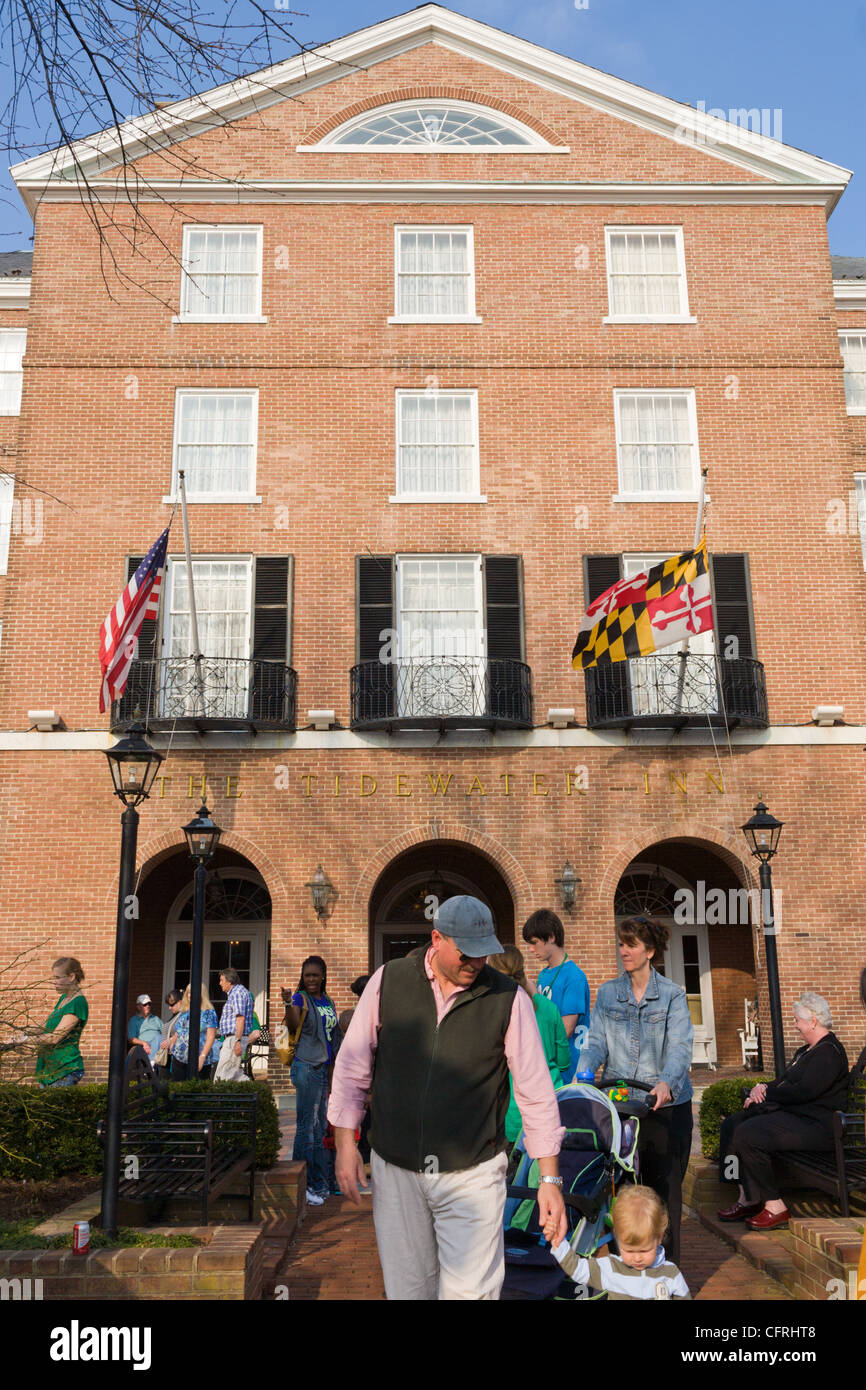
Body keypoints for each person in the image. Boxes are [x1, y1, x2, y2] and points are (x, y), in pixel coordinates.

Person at [329, 896, 567, 1300]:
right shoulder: (388, 980)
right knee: (409, 1289)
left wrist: (549, 1179)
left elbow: (536, 1092)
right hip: (396, 1167)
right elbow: (353, 1066)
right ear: (436, 939)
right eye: (467, 953)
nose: (476, 963)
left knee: (471, 1293)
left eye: (484, 954)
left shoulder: (508, 999)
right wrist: (344, 1144)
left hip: (473, 1170)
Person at [577, 915, 693, 1266]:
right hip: (621, 1105)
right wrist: (584, 1071)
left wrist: (665, 1084)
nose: (623, 950)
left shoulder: (672, 995)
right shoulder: (609, 993)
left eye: (631, 945)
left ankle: (667, 1270)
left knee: (663, 1191)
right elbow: (596, 1041)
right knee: (622, 1191)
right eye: (622, 944)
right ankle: (624, 1269)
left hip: (664, 1106)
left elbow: (680, 1048)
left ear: (650, 951)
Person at [718, 991, 849, 1231]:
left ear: (813, 1021)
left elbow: (804, 1091)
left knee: (749, 1134)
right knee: (731, 1125)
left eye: (797, 1020)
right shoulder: (806, 1051)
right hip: (797, 1120)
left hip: (817, 1127)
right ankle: (744, 1195)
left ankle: (775, 1206)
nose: (795, 1025)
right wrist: (760, 1088)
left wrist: (766, 1095)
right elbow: (784, 1082)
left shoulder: (829, 1052)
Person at [487, 944, 571, 1142]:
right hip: (550, 1109)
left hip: (511, 1116)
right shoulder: (548, 1007)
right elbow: (564, 1061)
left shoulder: (492, 1012)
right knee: (547, 1173)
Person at [551, 1185, 690, 1300]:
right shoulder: (610, 1269)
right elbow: (578, 1269)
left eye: (644, 1250)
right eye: (629, 1250)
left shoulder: (671, 1274)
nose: (637, 1258)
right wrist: (558, 1242)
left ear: (659, 1238)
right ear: (618, 1238)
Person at [282, 955, 341, 1207]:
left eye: (316, 975)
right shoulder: (299, 998)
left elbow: (333, 1037)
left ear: (323, 976)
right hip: (306, 1066)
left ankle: (319, 1184)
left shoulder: (327, 1000)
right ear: (302, 977)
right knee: (306, 1127)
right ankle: (300, 1185)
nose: (311, 979)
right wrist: (287, 1003)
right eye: (307, 975)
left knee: (318, 1129)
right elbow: (294, 1024)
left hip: (323, 1067)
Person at [522, 908, 590, 1082]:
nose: (530, 949)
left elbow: (566, 1029)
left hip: (569, 1069)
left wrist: (534, 994)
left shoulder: (574, 976)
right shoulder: (544, 974)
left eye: (534, 942)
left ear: (551, 937)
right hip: (548, 1066)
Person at [35, 957, 88, 1088]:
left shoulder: (77, 1003)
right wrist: (19, 1034)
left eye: (57, 978)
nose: (54, 982)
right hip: (51, 1069)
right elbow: (45, 1027)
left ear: (71, 977)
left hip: (64, 1069)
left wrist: (25, 1039)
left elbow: (54, 1037)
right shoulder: (64, 999)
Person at [169, 983, 220, 1080]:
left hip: (199, 1060)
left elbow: (211, 1037)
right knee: (178, 1091)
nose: (190, 995)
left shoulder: (209, 1012)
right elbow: (178, 1031)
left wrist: (202, 1057)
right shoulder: (185, 1011)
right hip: (179, 1058)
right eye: (188, 993)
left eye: (193, 992)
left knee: (198, 1091)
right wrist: (172, 1044)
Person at [214, 967, 254, 1081]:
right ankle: (257, 1094)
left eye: (222, 980)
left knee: (222, 1077)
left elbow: (240, 1019)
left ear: (229, 981)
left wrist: (237, 1041)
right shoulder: (237, 993)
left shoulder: (237, 993)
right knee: (235, 1076)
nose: (219, 983)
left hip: (234, 1038)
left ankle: (219, 1098)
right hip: (233, 1038)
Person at [156, 988, 184, 1079]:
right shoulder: (175, 1015)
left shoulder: (184, 1016)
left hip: (175, 1059)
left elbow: (185, 1032)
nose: (169, 1008)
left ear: (180, 1002)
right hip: (166, 1058)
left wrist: (171, 1040)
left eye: (172, 1005)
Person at [127, 994, 163, 1058]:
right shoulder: (134, 1020)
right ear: (138, 1007)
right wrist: (144, 1043)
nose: (148, 1006)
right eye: (145, 1004)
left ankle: (152, 1062)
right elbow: (131, 1039)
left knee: (159, 1037)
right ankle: (152, 1062)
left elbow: (165, 1032)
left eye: (149, 1004)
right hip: (143, 1046)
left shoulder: (156, 1019)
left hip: (159, 1045)